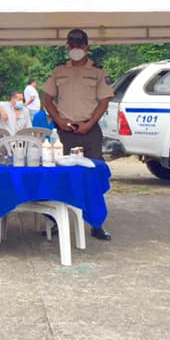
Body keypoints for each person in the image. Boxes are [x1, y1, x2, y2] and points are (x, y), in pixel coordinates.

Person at [42, 28, 114, 241]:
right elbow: (47, 100)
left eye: (79, 45)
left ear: (86, 47)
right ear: (68, 46)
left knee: (93, 176)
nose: (75, 48)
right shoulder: (59, 71)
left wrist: (89, 123)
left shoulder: (98, 71)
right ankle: (56, 220)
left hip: (89, 130)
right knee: (59, 176)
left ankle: (96, 223)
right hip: (65, 131)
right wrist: (59, 121)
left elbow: (104, 102)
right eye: (71, 45)